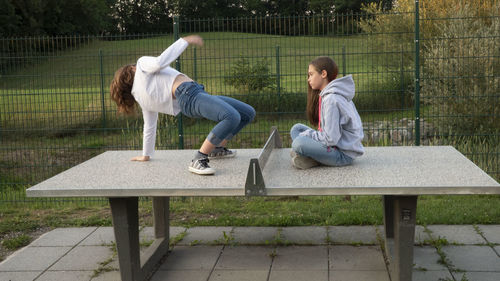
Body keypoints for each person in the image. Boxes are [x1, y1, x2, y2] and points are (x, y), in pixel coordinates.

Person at [110, 35, 256, 175]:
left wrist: (145, 155)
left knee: (247, 113)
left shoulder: (142, 96)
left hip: (195, 96)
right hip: (189, 96)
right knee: (231, 116)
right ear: (131, 70)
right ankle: (199, 158)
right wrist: (185, 41)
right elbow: (160, 62)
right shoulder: (141, 64)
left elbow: (149, 126)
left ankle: (216, 149)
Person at [290, 56, 364, 169]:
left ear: (323, 74)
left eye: (311, 74)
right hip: (335, 146)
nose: (308, 79)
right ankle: (313, 157)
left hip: (343, 154)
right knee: (297, 129)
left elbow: (331, 138)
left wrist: (308, 135)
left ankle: (310, 156)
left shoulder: (331, 99)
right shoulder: (331, 95)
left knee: (298, 143)